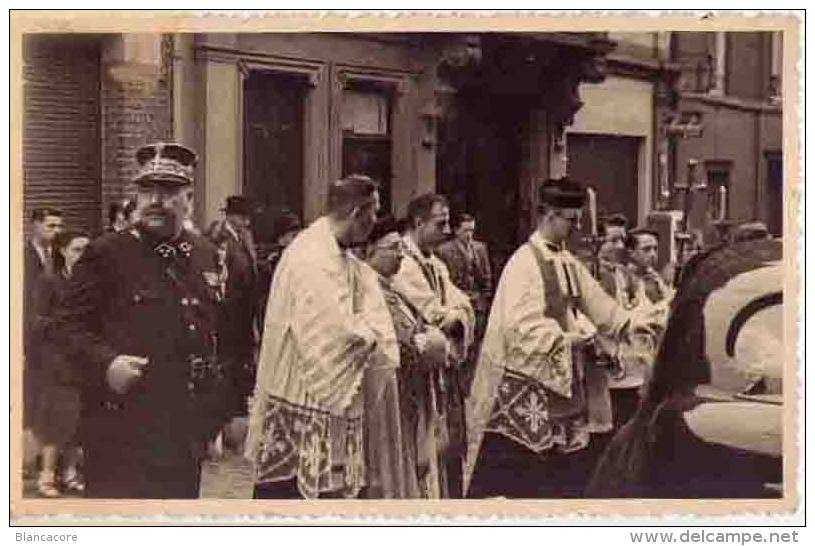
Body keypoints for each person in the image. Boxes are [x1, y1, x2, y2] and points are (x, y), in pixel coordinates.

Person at [50, 142, 229, 498]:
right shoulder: (108, 253)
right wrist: (107, 363)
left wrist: (212, 419)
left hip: (182, 432)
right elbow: (63, 326)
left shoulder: (202, 254)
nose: (155, 201)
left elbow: (210, 336)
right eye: (146, 191)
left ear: (189, 199)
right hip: (122, 430)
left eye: (168, 192)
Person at [464, 178, 660, 499]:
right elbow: (520, 327)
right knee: (525, 477)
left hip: (565, 383)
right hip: (529, 385)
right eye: (571, 220)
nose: (576, 227)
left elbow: (600, 307)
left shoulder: (567, 261)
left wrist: (635, 324)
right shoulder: (523, 263)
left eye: (578, 219)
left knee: (563, 474)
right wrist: (568, 339)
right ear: (549, 215)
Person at [587, 238, 783, 498]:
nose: (653, 254)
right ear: (631, 253)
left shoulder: (653, 281)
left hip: (644, 366)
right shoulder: (616, 280)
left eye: (655, 248)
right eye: (646, 249)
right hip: (625, 370)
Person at [246, 174, 399, 499]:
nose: (376, 221)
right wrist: (370, 334)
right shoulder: (312, 256)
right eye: (374, 213)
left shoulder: (342, 255)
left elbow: (372, 316)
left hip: (332, 403)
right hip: (302, 392)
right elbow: (335, 334)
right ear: (358, 213)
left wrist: (370, 330)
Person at [392, 193, 475, 498]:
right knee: (421, 450)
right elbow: (434, 312)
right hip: (416, 373)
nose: (448, 231)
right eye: (440, 223)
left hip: (441, 371)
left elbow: (461, 306)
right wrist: (451, 318)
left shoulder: (436, 264)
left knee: (446, 449)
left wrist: (454, 318)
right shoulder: (401, 261)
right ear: (418, 222)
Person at [365, 216, 451, 498]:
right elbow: (391, 342)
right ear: (371, 252)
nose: (400, 255)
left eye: (401, 248)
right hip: (387, 394)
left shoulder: (394, 289)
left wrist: (429, 339)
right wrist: (426, 344)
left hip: (410, 394)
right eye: (392, 248)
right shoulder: (368, 291)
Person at [30, 230, 91, 497]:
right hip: (56, 361)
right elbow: (36, 321)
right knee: (56, 420)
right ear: (63, 251)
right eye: (77, 249)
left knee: (76, 420)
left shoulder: (89, 282)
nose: (82, 256)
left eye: (86, 251)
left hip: (81, 360)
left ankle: (69, 474)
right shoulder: (48, 281)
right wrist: (63, 323)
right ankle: (46, 476)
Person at [207, 196, 258, 421]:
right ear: (230, 216)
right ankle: (226, 413)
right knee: (228, 362)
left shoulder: (244, 237)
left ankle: (237, 411)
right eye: (241, 217)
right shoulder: (220, 238)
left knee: (240, 362)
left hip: (243, 312)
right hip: (228, 313)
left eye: (246, 218)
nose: (245, 222)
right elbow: (220, 277)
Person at [23, 207, 64, 469]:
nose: (56, 232)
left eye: (59, 226)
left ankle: (45, 457)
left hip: (50, 343)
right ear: (35, 226)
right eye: (51, 226)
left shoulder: (57, 257)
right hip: (30, 336)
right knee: (31, 395)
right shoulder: (20, 257)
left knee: (48, 400)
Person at [436, 212, 493, 340]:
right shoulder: (444, 250)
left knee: (478, 340)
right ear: (456, 231)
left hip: (478, 305)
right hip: (457, 304)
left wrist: (484, 299)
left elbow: (487, 276)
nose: (469, 235)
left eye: (471, 230)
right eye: (466, 230)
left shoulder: (480, 248)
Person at [255, 209, 302, 330]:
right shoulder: (274, 263)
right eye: (293, 236)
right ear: (281, 239)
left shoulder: (300, 259)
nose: (297, 240)